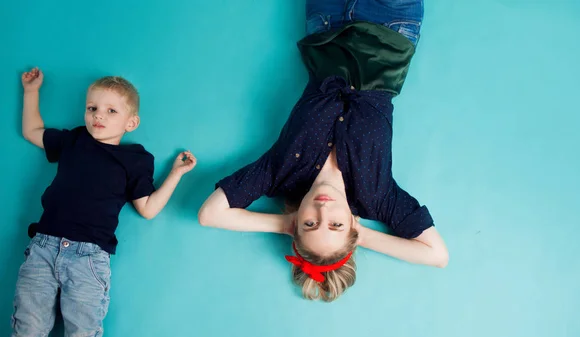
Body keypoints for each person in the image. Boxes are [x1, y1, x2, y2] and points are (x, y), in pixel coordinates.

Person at [199, 0, 448, 302]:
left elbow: (210, 214)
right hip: (390, 26)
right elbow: (437, 255)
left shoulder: (278, 173)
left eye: (310, 224)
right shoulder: (379, 195)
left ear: (296, 221)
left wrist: (284, 225)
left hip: (326, 21)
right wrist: (360, 236)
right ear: (351, 225)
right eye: (336, 225)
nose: (323, 209)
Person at [12, 68, 197, 336]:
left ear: (130, 123)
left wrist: (176, 174)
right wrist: (31, 91)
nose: (98, 114)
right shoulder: (74, 140)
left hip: (88, 257)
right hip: (44, 247)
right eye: (92, 108)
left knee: (83, 331)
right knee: (28, 329)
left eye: (112, 111)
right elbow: (32, 131)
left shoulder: (135, 159)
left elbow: (148, 208)